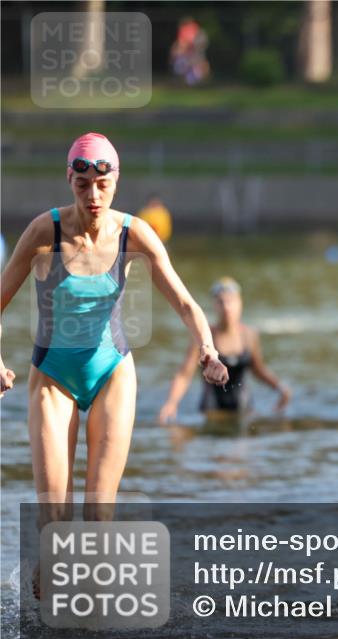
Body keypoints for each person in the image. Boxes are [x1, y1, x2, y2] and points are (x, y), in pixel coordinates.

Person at [0, 133, 228, 593]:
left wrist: (207, 346)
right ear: (70, 180)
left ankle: (93, 624)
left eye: (102, 185)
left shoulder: (133, 233)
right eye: (83, 185)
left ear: (115, 181)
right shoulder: (45, 231)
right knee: (54, 522)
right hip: (53, 377)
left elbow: (184, 302)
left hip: (112, 371)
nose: (93, 196)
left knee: (98, 514)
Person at [159, 276, 291, 423]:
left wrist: (281, 388)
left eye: (231, 301)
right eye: (221, 302)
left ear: (240, 303)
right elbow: (185, 374)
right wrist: (171, 402)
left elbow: (258, 369)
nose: (226, 307)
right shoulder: (204, 337)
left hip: (244, 410)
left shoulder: (249, 335)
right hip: (212, 412)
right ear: (214, 305)